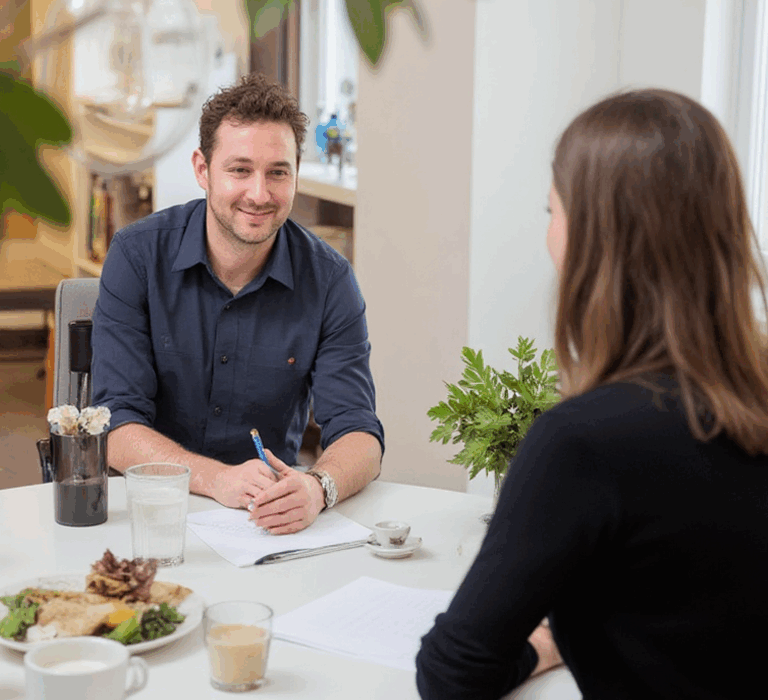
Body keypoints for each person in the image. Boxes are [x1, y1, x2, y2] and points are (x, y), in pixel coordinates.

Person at [416, 88, 768, 699]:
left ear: (592, 241)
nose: (549, 232)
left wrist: (540, 647)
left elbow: (454, 674)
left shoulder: (585, 442)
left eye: (550, 211)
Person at [91, 73, 384, 534]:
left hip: (263, 522)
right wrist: (216, 478)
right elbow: (114, 424)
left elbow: (359, 432)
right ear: (202, 170)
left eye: (277, 172)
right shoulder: (137, 256)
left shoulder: (330, 280)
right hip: (147, 512)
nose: (259, 194)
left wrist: (318, 486)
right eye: (240, 169)